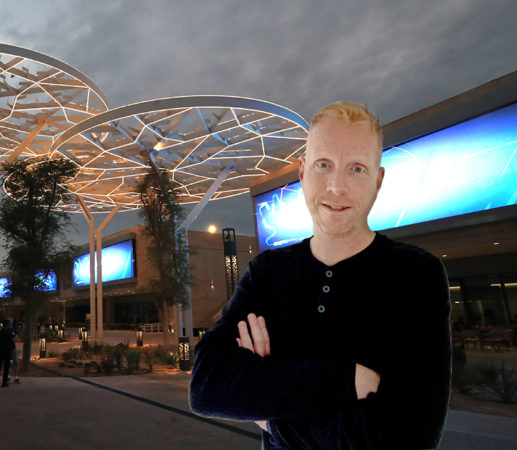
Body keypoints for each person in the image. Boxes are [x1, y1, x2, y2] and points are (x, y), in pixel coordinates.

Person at [190, 101, 451, 449]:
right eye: (323, 165)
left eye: (356, 169)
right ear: (302, 173)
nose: (336, 186)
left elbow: (410, 435)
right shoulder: (267, 273)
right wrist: (347, 381)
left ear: (378, 180)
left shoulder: (417, 275)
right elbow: (207, 385)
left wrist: (270, 411)